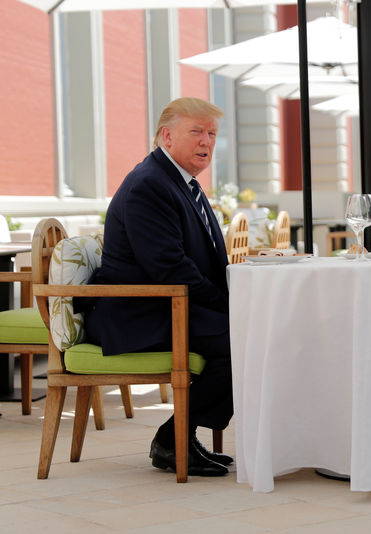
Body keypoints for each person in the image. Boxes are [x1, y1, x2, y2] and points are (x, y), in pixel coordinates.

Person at [85, 97, 233, 477]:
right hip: (139, 313)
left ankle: (181, 435)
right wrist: (229, 305)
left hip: (169, 305)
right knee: (246, 341)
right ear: (167, 136)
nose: (207, 141)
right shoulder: (149, 184)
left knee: (254, 333)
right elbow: (171, 269)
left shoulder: (182, 183)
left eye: (212, 133)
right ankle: (172, 439)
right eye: (196, 131)